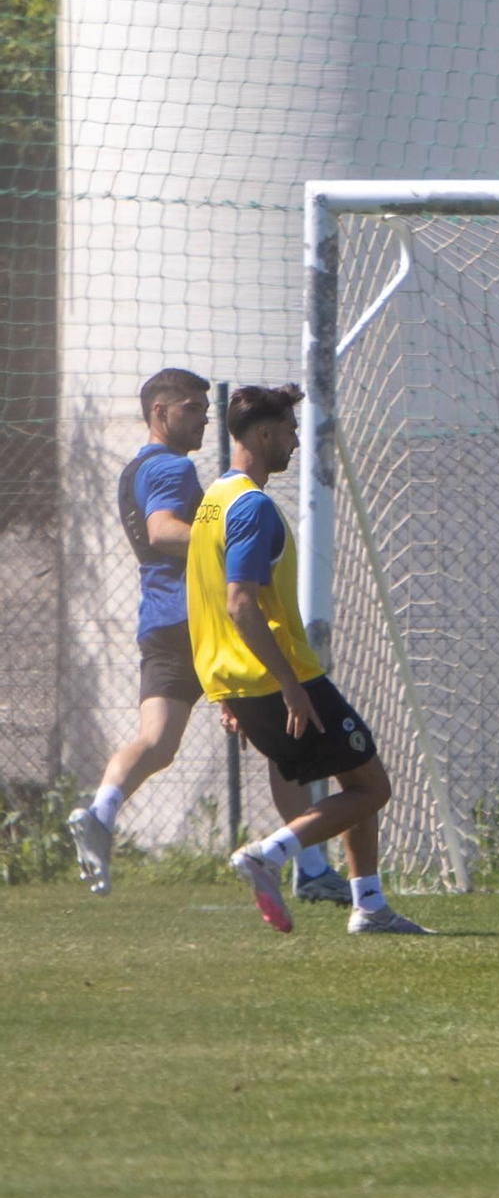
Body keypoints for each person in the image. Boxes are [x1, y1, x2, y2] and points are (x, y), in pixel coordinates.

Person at [67, 368, 342, 901]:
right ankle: (309, 866)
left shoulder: (136, 469)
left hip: (160, 623)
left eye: (204, 408)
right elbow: (162, 530)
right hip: (204, 623)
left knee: (156, 743)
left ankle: (102, 810)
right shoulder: (171, 467)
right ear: (160, 412)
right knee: (289, 741)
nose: (204, 417)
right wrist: (229, 540)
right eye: (192, 407)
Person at [187, 383, 429, 935]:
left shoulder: (211, 505)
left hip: (238, 682)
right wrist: (290, 685)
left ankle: (369, 905)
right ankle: (270, 855)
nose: (296, 442)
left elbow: (201, 605)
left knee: (355, 777)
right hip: (279, 677)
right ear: (264, 434)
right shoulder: (250, 506)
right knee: (373, 786)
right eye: (291, 431)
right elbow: (238, 602)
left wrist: (225, 694)